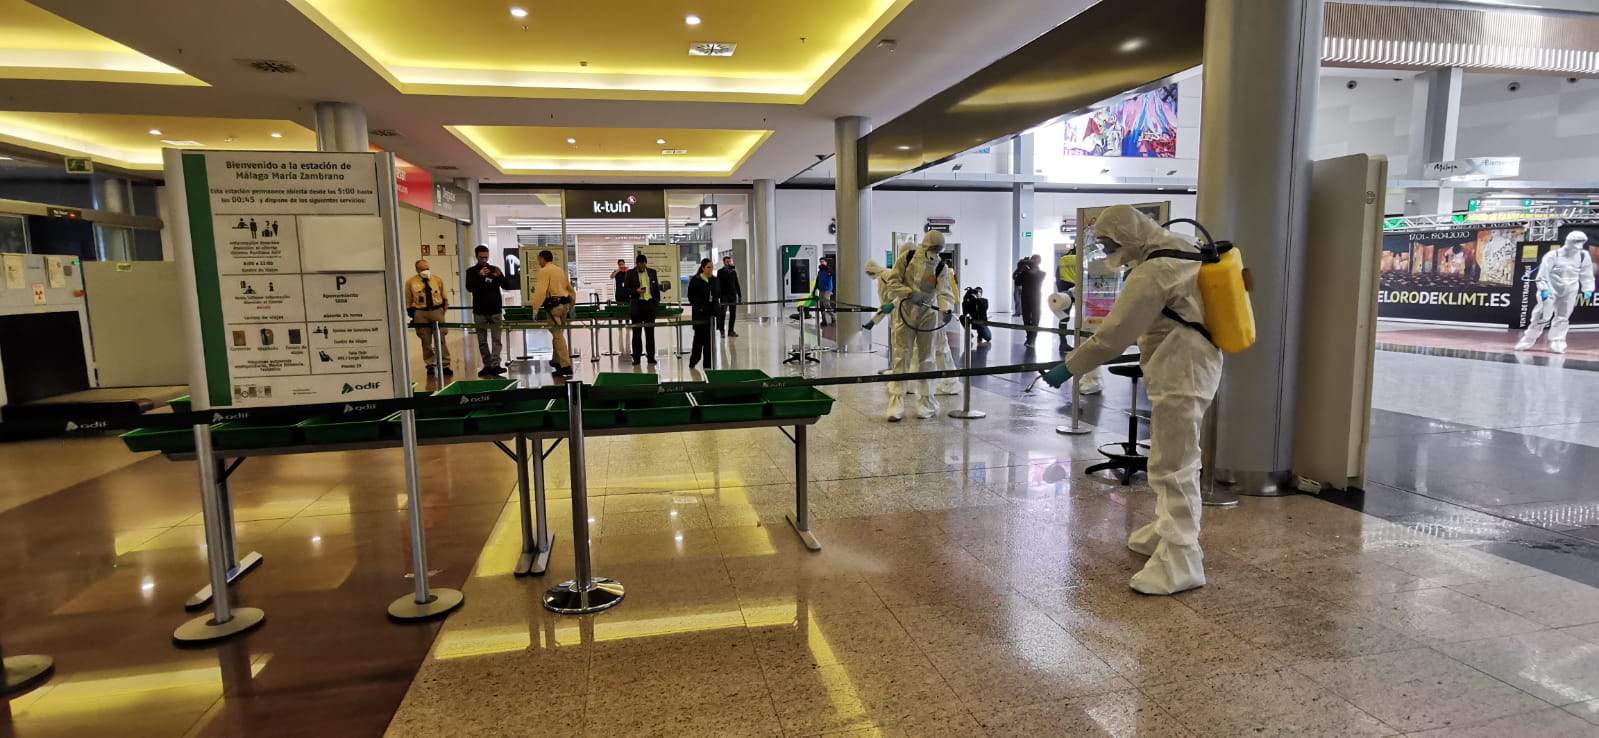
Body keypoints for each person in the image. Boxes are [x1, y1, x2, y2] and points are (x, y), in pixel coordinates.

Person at [1039, 205, 1221, 595]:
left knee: (1175, 462)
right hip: (1186, 365)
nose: (1108, 252)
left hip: (1182, 370)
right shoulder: (1182, 247)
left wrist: (1068, 367)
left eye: (1110, 243)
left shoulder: (1154, 271)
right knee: (1170, 455)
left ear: (1129, 235)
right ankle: (1165, 528)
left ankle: (1181, 555)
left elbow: (1112, 335)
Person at [885, 231, 956, 421]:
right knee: (902, 355)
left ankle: (926, 403)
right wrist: (908, 293)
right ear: (925, 245)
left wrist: (946, 309)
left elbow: (945, 291)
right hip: (905, 311)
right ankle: (895, 403)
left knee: (927, 359)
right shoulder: (906, 258)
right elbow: (892, 282)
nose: (935, 252)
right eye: (933, 248)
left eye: (938, 250)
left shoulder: (940, 266)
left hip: (928, 315)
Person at [1516, 231, 1594, 354]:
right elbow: (1542, 274)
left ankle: (1557, 342)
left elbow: (1587, 274)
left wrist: (1588, 289)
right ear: (1568, 242)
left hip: (1570, 290)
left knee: (1563, 317)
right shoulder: (1553, 255)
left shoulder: (1583, 256)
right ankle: (1528, 339)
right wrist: (1544, 289)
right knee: (1542, 315)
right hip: (1551, 288)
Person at [465, 245, 516, 377]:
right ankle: (487, 365)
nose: (484, 260)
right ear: (476, 256)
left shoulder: (494, 270)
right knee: (482, 340)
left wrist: (499, 277)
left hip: (495, 309)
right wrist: (478, 275)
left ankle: (495, 364)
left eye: (486, 257)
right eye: (481, 257)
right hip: (479, 310)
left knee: (497, 339)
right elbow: (469, 288)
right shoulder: (471, 272)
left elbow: (507, 286)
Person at [528, 249, 575, 377]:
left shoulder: (544, 271)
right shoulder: (560, 271)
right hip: (564, 305)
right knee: (558, 334)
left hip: (553, 307)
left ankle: (565, 365)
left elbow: (540, 291)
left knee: (558, 335)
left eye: (539, 259)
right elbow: (570, 288)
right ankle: (556, 361)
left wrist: (535, 308)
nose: (538, 261)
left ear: (542, 259)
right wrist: (572, 304)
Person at [404, 259, 452, 377]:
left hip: (436, 310)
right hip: (421, 312)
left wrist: (442, 310)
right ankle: (430, 364)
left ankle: (445, 364)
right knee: (425, 341)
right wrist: (413, 313)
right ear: (417, 270)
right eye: (422, 269)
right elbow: (408, 300)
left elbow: (444, 297)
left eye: (427, 268)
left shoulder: (437, 279)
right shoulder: (410, 282)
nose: (425, 271)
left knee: (441, 339)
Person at [623, 253, 660, 364]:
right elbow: (626, 289)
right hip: (637, 305)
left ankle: (651, 356)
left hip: (649, 305)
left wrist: (655, 302)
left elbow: (656, 288)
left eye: (644, 264)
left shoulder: (652, 272)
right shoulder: (630, 273)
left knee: (650, 333)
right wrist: (636, 291)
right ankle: (637, 358)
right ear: (637, 264)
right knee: (637, 333)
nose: (642, 267)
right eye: (640, 265)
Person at [687, 258, 719, 369]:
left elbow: (716, 296)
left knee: (708, 342)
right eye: (708, 267)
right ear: (703, 268)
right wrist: (700, 307)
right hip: (700, 316)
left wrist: (716, 311)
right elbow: (691, 297)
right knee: (698, 340)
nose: (710, 270)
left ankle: (707, 365)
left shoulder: (715, 280)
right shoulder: (695, 281)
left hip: (710, 316)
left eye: (712, 267)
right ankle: (694, 360)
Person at [1015, 254, 1047, 346]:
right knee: (1026, 318)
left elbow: (1036, 277)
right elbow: (1017, 282)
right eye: (1033, 260)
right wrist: (1019, 269)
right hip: (1025, 297)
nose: (1034, 262)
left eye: (1036, 261)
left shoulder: (1042, 273)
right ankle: (1029, 337)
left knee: (1035, 319)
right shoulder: (1024, 273)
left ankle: (1032, 338)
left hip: (1036, 297)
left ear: (1039, 262)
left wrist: (1028, 270)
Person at [717, 256, 742, 337]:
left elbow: (737, 284)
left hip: (732, 295)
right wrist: (718, 295)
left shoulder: (733, 272)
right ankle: (722, 331)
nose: (729, 263)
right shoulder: (720, 272)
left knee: (733, 314)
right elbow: (718, 284)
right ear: (724, 262)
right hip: (724, 295)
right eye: (727, 262)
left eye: (729, 261)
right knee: (723, 313)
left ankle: (731, 331)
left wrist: (739, 295)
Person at [814, 258, 836, 325]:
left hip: (828, 290)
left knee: (826, 303)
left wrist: (828, 270)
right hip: (821, 289)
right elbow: (817, 280)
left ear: (826, 262)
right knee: (821, 306)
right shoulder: (820, 271)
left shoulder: (828, 270)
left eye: (823, 261)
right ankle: (824, 321)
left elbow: (833, 274)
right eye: (820, 262)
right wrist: (814, 289)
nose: (822, 263)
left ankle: (833, 318)